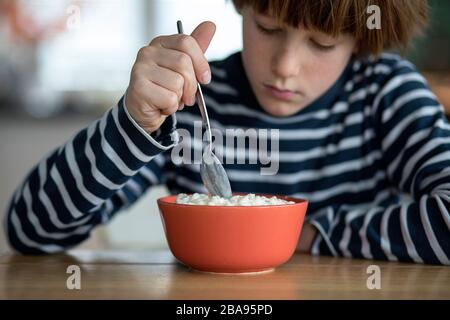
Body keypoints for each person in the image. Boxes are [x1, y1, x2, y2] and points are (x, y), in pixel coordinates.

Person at [4, 0, 450, 265]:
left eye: (322, 43)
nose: (285, 67)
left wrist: (309, 235)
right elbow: (31, 231)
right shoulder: (190, 105)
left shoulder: (387, 94)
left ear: (362, 40)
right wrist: (132, 125)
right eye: (268, 27)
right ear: (241, 7)